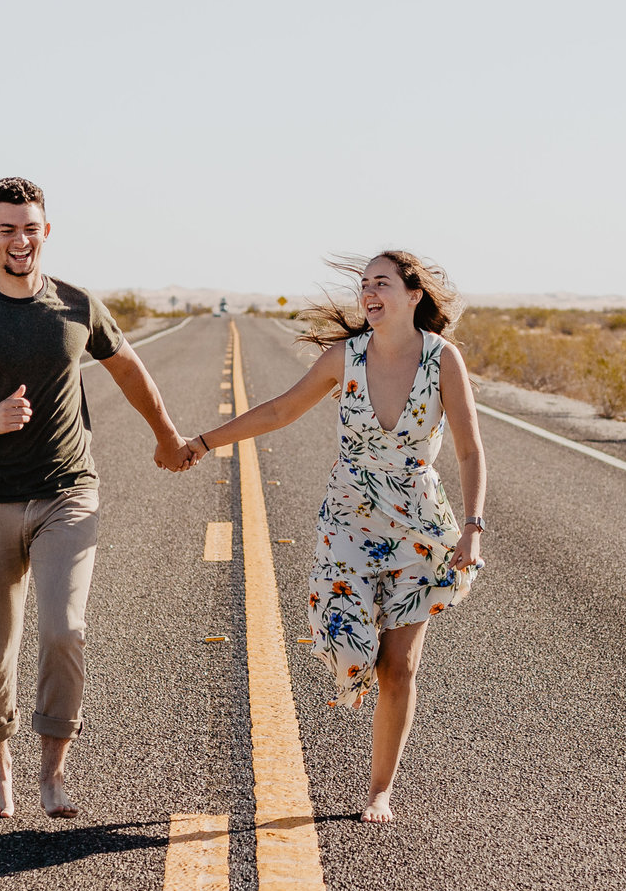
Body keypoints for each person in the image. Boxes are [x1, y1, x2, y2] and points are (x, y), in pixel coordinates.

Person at [0, 176, 194, 819]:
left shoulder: (77, 307)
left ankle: (52, 772)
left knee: (65, 628)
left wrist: (167, 435)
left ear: (48, 231)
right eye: (7, 228)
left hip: (68, 495)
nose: (20, 239)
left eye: (31, 227)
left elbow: (129, 369)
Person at [184, 252, 486, 822]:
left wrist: (472, 526)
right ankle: (361, 670)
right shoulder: (343, 358)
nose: (369, 293)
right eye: (364, 285)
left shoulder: (443, 360)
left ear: (413, 294)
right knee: (352, 645)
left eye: (382, 283)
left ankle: (380, 789)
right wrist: (202, 442)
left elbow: (471, 450)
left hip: (420, 528)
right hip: (349, 521)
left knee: (400, 666)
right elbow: (278, 412)